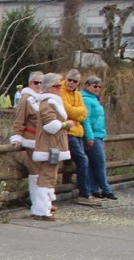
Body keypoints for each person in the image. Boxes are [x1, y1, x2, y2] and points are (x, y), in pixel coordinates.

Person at [31, 73, 73, 221]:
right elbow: (50, 125)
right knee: (47, 176)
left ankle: (45, 207)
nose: (60, 88)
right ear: (49, 87)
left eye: (60, 85)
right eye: (57, 86)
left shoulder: (51, 102)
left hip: (53, 145)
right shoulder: (47, 103)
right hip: (49, 146)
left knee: (50, 176)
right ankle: (42, 210)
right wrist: (65, 124)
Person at [10, 70, 44, 216]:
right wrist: (17, 135)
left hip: (42, 140)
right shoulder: (26, 98)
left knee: (44, 172)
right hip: (31, 139)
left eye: (42, 83)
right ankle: (37, 203)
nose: (39, 85)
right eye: (36, 83)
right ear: (30, 83)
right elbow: (20, 119)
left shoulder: (42, 98)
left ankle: (44, 201)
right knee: (35, 171)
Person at [62, 69, 98, 207]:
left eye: (74, 81)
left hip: (78, 131)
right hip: (68, 131)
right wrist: (76, 113)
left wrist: (76, 113)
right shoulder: (60, 91)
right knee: (83, 160)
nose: (71, 83)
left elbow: (84, 113)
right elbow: (68, 110)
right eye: (69, 80)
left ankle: (85, 191)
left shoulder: (77, 94)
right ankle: (84, 193)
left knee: (83, 161)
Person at [81, 76, 116, 200]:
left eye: (99, 86)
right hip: (93, 135)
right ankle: (106, 189)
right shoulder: (86, 100)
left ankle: (94, 189)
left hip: (99, 134)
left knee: (93, 164)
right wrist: (90, 136)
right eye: (95, 86)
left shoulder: (95, 99)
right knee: (100, 163)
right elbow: (86, 119)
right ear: (87, 86)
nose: (97, 89)